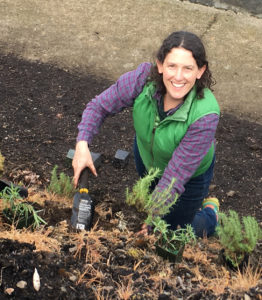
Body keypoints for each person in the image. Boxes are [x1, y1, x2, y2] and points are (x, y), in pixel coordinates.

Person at [72, 31, 220, 238]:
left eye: (188, 68)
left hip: (189, 177)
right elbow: (99, 107)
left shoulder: (205, 115)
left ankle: (210, 214)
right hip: (148, 159)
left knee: (174, 231)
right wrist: (82, 145)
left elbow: (174, 178)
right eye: (172, 66)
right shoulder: (142, 79)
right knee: (156, 212)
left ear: (200, 71)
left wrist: (152, 220)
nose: (178, 76)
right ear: (160, 65)